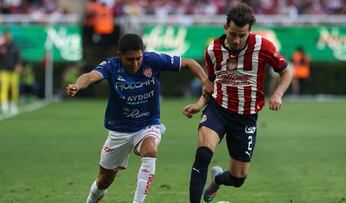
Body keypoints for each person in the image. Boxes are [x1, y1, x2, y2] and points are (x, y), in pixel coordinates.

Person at [66, 33, 212, 203]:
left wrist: (204, 80)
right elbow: (90, 76)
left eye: (138, 58)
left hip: (148, 125)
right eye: (130, 59)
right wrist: (77, 85)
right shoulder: (111, 65)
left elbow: (188, 62)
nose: (135, 63)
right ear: (120, 55)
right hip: (119, 131)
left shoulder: (153, 61)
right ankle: (92, 199)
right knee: (104, 180)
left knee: (150, 149)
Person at [182, 3, 293, 203]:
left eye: (242, 35)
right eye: (233, 34)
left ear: (249, 31)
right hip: (218, 110)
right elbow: (210, 82)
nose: (237, 40)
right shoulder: (213, 50)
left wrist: (277, 94)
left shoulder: (263, 47)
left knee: (238, 178)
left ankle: (216, 180)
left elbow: (286, 71)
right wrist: (200, 104)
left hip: (246, 118)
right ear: (225, 27)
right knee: (203, 154)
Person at [0, 30, 22, 114]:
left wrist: (18, 65)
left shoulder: (15, 46)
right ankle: (4, 105)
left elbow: (19, 57)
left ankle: (14, 104)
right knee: (4, 87)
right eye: (7, 35)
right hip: (4, 70)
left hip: (13, 71)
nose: (8, 37)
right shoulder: (2, 46)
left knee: (14, 88)